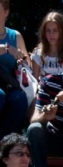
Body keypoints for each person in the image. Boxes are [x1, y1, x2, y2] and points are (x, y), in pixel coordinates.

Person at [0, 0, 31, 138]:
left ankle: (5, 143)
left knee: (19, 99)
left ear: (6, 12)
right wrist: (6, 49)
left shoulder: (15, 36)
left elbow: (28, 64)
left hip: (9, 83)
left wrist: (21, 61)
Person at [31, 11, 63, 80]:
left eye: (55, 30)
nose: (51, 35)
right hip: (43, 90)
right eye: (48, 30)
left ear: (62, 31)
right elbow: (34, 82)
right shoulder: (38, 54)